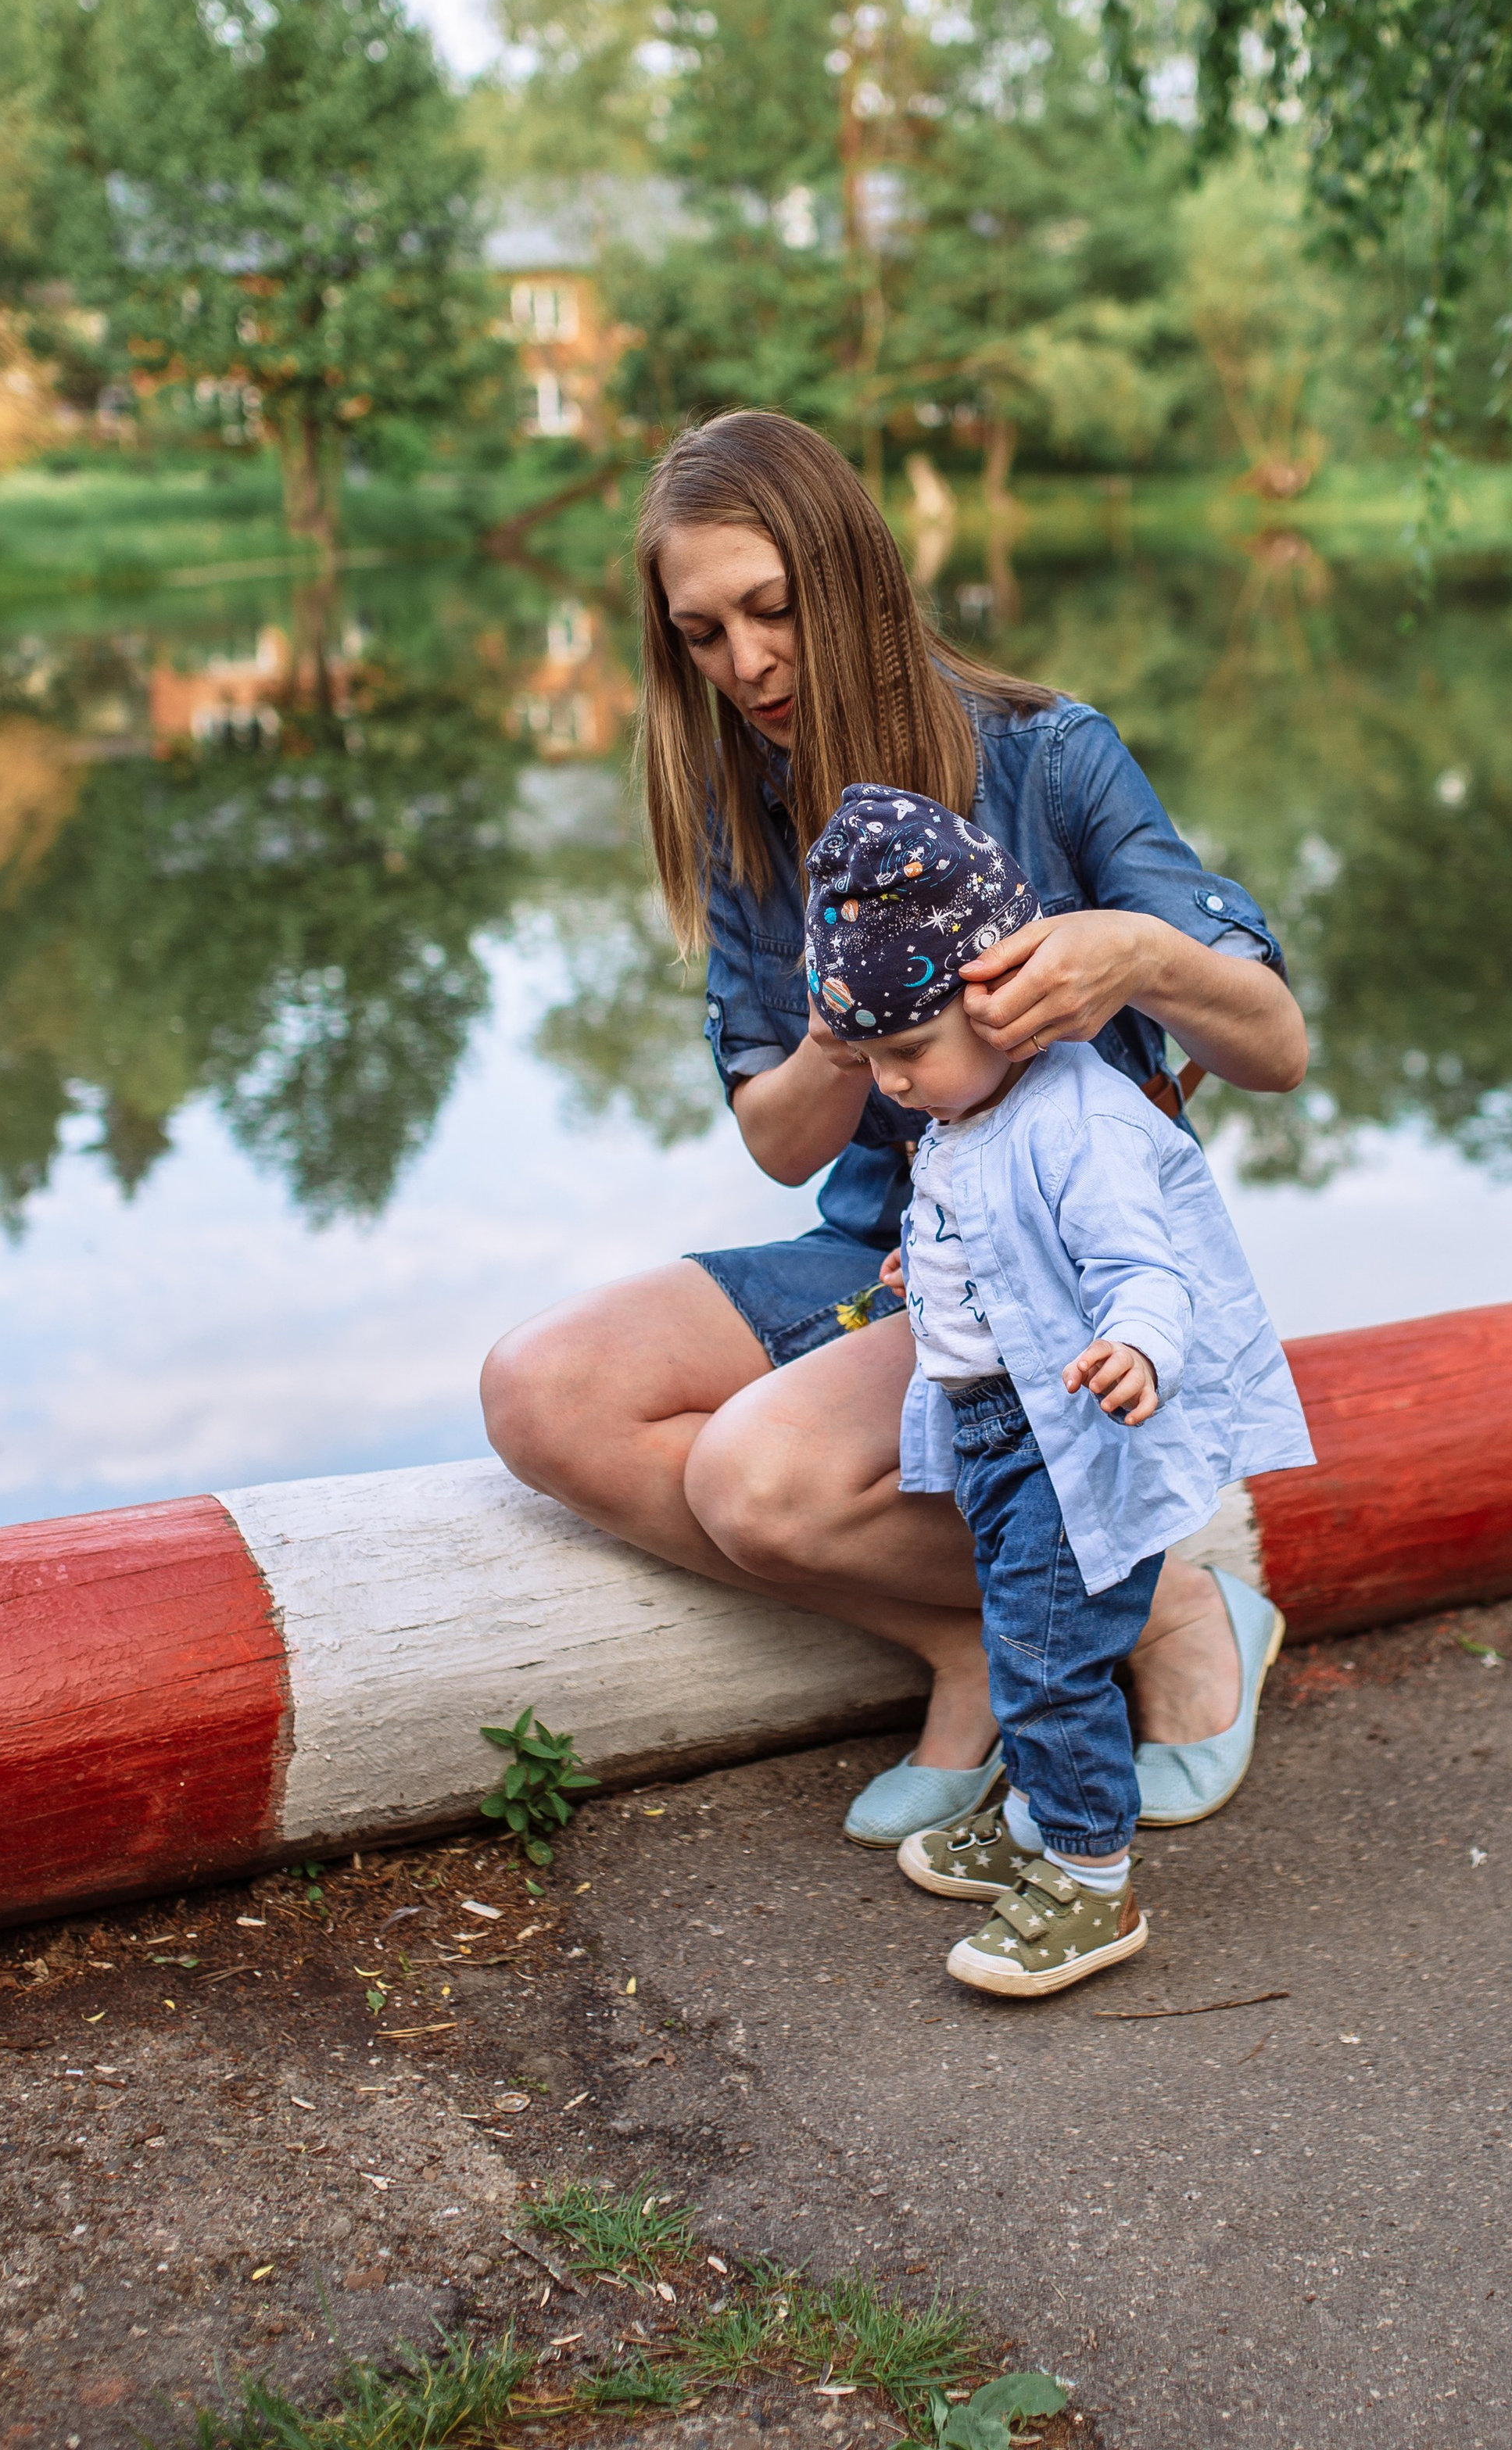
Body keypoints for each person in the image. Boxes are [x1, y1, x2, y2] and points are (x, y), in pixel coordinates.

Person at [481, 411, 1310, 1845]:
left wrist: (1136, 956)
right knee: (541, 1390)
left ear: (855, 581)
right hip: (885, 1250)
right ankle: (972, 1638)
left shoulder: (1052, 757)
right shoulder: (745, 805)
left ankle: (1178, 1611)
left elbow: (1276, 1050)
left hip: (1062, 1273)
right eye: (701, 633)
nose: (746, 665)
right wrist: (837, 1032)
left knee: (755, 1478)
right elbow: (781, 1144)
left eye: (773, 611)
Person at [803, 781, 1313, 1997]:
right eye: (871, 1060)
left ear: (1005, 1009)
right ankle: (1041, 1816)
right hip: (996, 1434)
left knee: (1045, 1663)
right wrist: (925, 1268)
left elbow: (1145, 1267)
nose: (892, 1084)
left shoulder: (1078, 1119)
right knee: (1025, 1635)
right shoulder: (966, 1114)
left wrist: (1136, 1348)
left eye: (908, 1052)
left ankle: (1090, 1881)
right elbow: (978, 1228)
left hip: (1069, 1433)